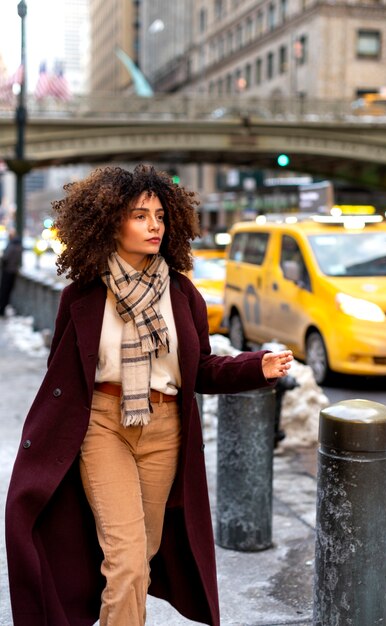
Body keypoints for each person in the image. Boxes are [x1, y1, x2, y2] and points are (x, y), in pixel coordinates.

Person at [5, 164, 293, 626]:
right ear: (110, 222)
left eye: (160, 216)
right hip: (102, 427)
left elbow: (198, 369)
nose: (154, 225)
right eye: (140, 216)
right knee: (127, 560)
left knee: (143, 556)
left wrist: (253, 366)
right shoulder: (82, 296)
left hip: (164, 432)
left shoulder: (181, 293)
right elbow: (63, 372)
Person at [0, 228, 23, 316]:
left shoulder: (12, 245)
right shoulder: (19, 246)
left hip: (8, 271)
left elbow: (5, 257)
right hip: (13, 271)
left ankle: (1, 309)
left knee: (4, 290)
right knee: (8, 291)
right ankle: (3, 307)